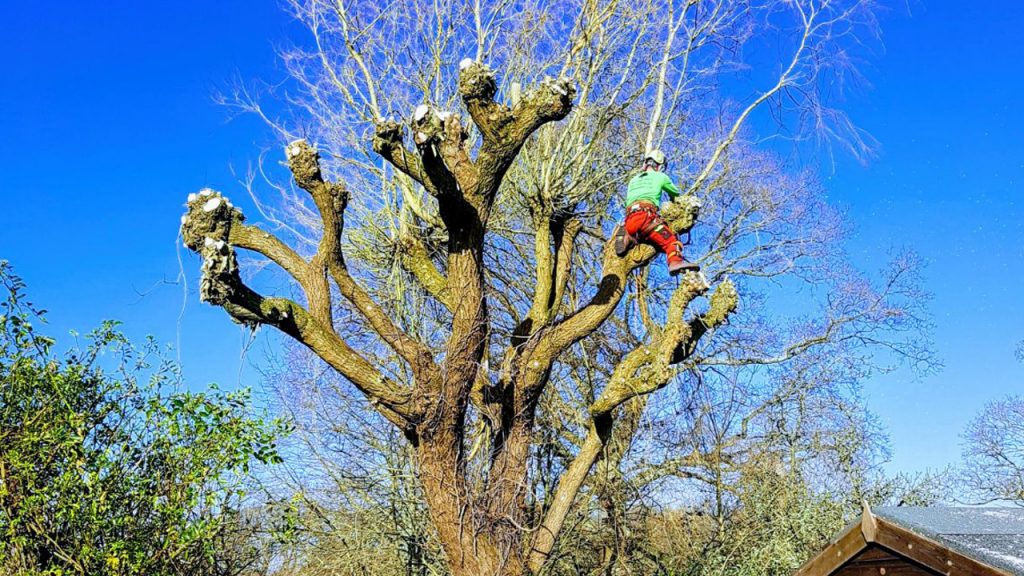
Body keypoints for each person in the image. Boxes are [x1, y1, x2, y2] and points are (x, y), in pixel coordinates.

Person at [614, 150, 699, 275]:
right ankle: (675, 262)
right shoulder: (661, 177)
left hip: (629, 220)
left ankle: (630, 237)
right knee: (671, 241)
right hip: (646, 218)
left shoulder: (633, 180)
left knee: (643, 233)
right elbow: (675, 195)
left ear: (646, 163)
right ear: (659, 166)